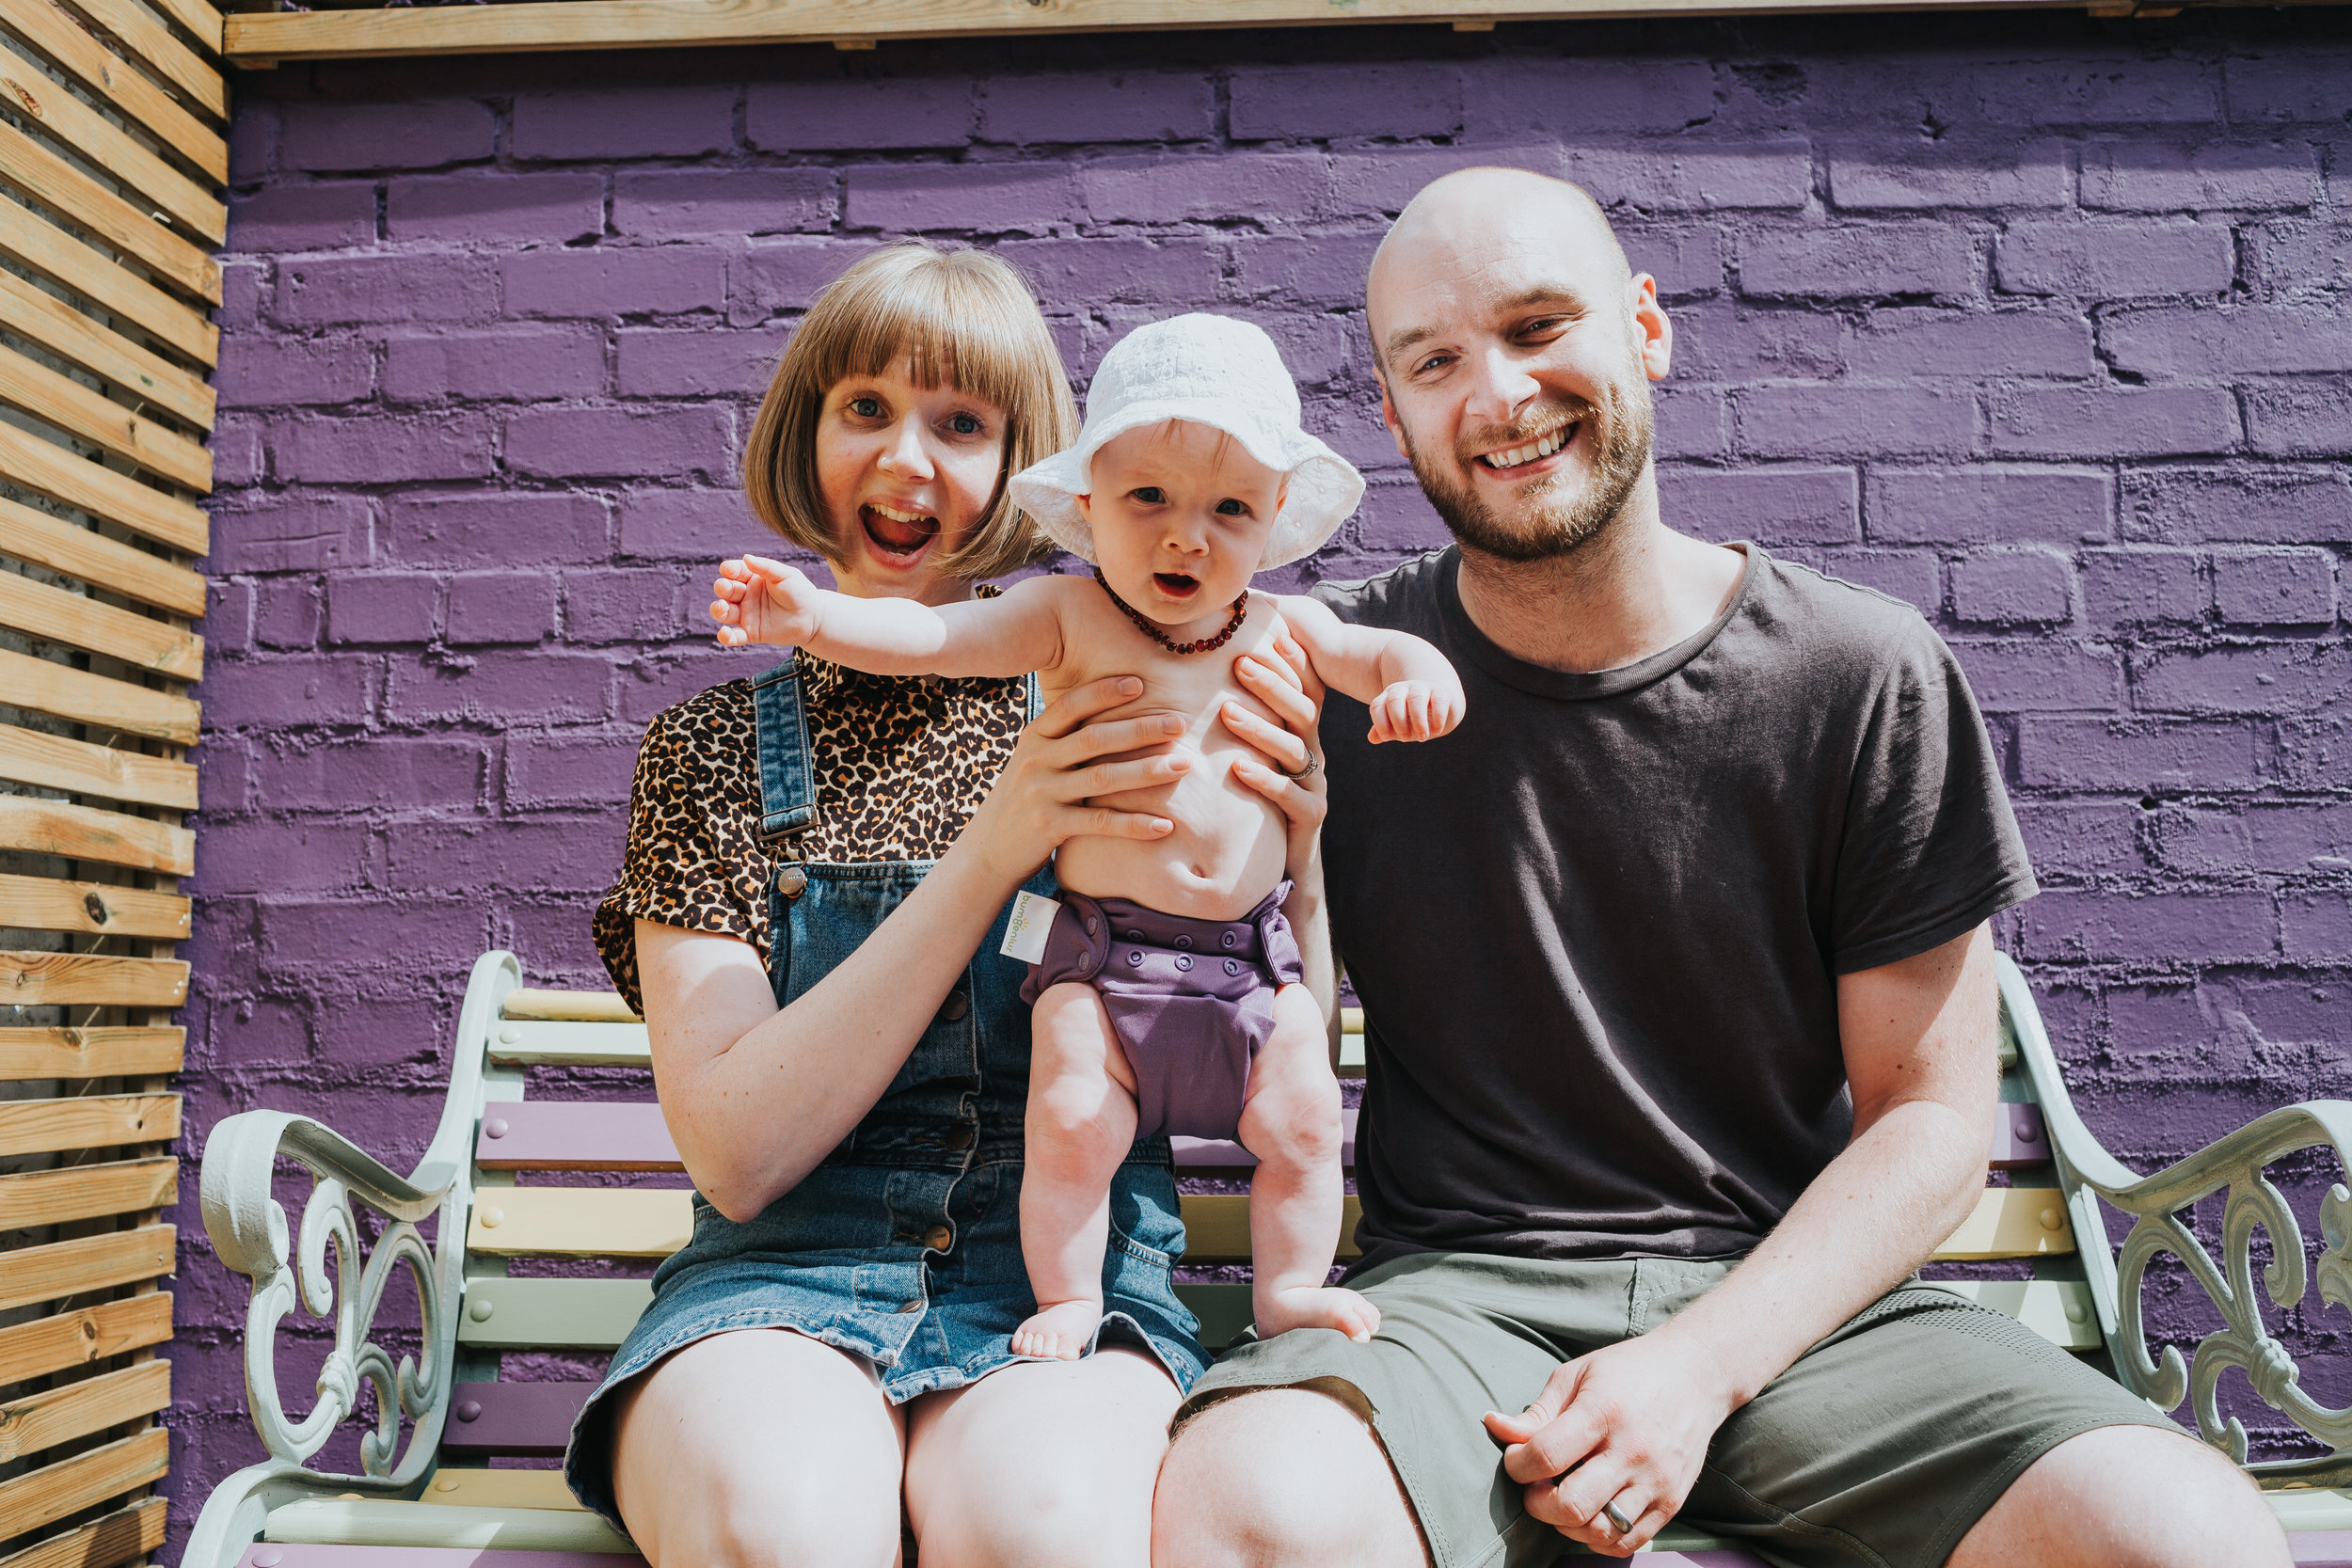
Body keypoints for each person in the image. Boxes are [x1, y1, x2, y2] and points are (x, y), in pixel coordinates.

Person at [1151, 169, 2293, 1568]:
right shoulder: (1329, 674)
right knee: (1244, 1498)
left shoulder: (1861, 676)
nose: (1498, 395)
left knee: (2183, 1533)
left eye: (1538, 326)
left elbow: (1930, 1122)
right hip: (1456, 1311)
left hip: (1811, 1316)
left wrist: (1696, 1369)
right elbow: (1235, 970)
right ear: (1391, 414)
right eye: (1436, 360)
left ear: (1648, 328)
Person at [559, 244, 1331, 1568]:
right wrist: (997, 848)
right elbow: (739, 1152)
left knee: (1056, 1529)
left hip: (1062, 1285)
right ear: (808, 428)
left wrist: (1301, 865)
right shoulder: (709, 752)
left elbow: (1267, 1013)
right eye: (866, 408)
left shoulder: (1129, 698)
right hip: (776, 1283)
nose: (907, 462)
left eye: (960, 423)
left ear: (1033, 465)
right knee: (782, 1520)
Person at [709, 313, 1465, 1363]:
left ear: (1275, 516)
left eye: (1228, 507)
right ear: (1087, 504)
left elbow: (1379, 651)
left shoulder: (1289, 628)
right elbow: (933, 637)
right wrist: (816, 618)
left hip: (1253, 968)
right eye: (1147, 496)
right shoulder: (1065, 614)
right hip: (1104, 968)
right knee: (1071, 1119)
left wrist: (1420, 678)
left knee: (1300, 1121)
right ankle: (1065, 1293)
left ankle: (1289, 1286)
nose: (1184, 535)